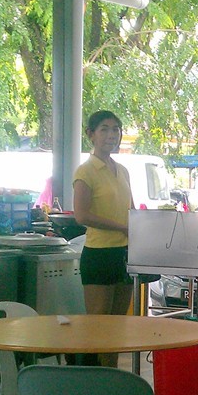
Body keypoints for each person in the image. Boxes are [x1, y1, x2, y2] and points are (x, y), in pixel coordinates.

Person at [73, 110, 133, 367]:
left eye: (116, 130)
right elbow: (81, 215)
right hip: (99, 254)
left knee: (117, 324)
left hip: (125, 253)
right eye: (105, 129)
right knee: (98, 323)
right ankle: (91, 381)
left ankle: (112, 376)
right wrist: (121, 227)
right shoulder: (86, 171)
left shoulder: (122, 170)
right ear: (91, 135)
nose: (112, 135)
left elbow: (131, 211)